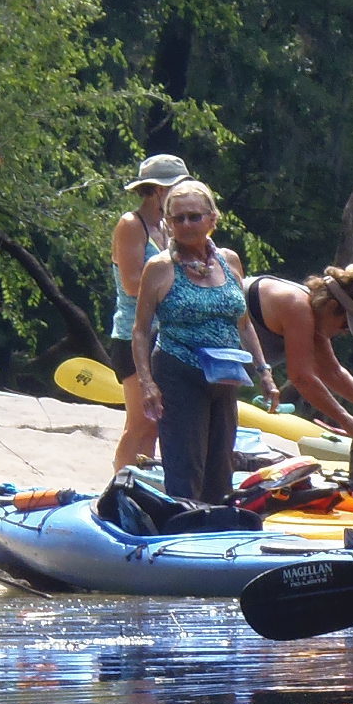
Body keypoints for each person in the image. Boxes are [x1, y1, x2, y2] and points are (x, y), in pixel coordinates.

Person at [130, 179, 271, 504]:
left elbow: (244, 322)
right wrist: (147, 384)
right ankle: (181, 532)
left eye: (194, 216)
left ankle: (215, 534)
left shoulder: (229, 261)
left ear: (212, 219)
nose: (186, 224)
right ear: (167, 223)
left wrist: (264, 372)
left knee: (221, 469)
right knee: (185, 468)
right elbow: (140, 330)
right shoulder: (160, 268)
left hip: (224, 375)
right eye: (177, 218)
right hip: (179, 372)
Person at [242, 265, 353, 449]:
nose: (343, 332)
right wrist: (347, 421)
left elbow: (333, 371)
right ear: (331, 307)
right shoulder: (297, 306)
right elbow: (301, 378)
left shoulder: (314, 313)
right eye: (344, 325)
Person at [106, 154, 185, 469]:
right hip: (132, 334)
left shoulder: (168, 226)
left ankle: (141, 486)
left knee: (155, 424)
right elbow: (131, 283)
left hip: (164, 336)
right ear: (156, 190)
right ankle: (118, 484)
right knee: (140, 423)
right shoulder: (131, 224)